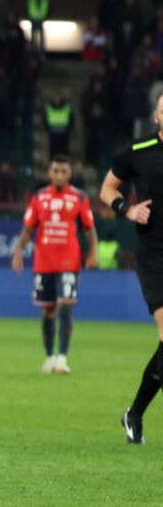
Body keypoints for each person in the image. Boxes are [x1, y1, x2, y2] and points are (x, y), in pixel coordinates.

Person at [101, 92, 163, 444]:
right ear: (156, 116)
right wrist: (127, 209)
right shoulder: (137, 152)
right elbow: (108, 189)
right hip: (155, 254)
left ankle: (135, 413)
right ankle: (135, 414)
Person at [11, 155, 97, 375]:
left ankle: (62, 358)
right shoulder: (39, 197)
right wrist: (19, 251)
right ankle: (49, 357)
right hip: (44, 262)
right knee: (48, 310)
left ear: (70, 174)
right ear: (49, 173)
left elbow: (89, 229)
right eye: (55, 171)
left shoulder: (79, 197)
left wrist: (93, 253)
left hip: (69, 260)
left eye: (63, 171)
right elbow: (29, 229)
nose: (59, 175)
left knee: (66, 306)